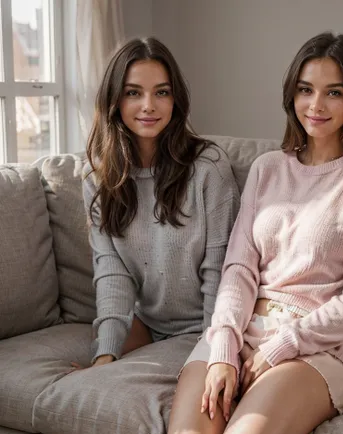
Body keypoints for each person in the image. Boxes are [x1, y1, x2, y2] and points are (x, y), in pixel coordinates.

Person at [163, 32, 343, 434]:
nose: (316, 104)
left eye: (334, 92)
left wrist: (284, 344)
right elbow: (239, 268)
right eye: (305, 89)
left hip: (316, 348)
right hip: (240, 331)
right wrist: (223, 348)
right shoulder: (268, 167)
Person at [80, 37, 239, 369]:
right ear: (114, 100)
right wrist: (106, 352)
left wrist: (212, 351)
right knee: (89, 380)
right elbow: (112, 272)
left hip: (208, 325)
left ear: (175, 99)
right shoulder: (98, 177)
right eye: (133, 92)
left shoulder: (208, 167)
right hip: (147, 323)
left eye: (161, 92)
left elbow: (220, 270)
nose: (149, 105)